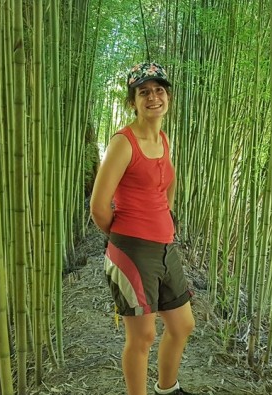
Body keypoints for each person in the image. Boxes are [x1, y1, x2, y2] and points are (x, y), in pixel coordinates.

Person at [90, 62, 196, 395]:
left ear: (169, 98)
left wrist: (165, 216)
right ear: (133, 101)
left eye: (159, 90)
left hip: (165, 248)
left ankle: (168, 388)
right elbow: (98, 206)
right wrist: (125, 239)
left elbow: (168, 182)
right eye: (144, 92)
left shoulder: (163, 138)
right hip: (133, 250)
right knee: (143, 336)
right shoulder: (123, 143)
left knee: (182, 325)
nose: (153, 97)